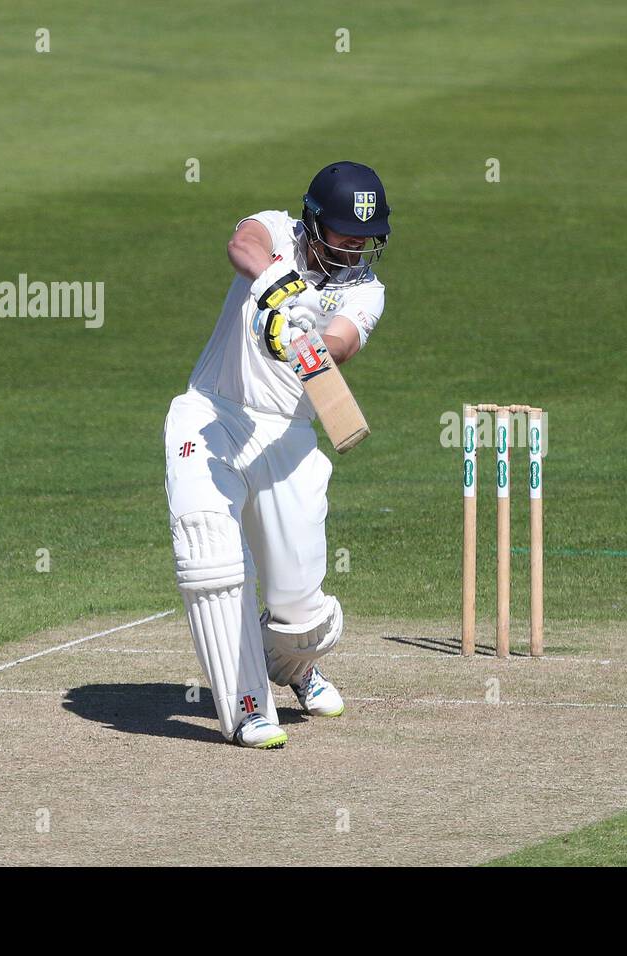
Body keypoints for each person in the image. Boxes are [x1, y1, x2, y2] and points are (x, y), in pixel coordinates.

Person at [162, 161, 390, 748]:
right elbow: (243, 244)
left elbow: (341, 344)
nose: (354, 248)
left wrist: (309, 332)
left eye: (364, 239)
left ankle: (293, 664)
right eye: (343, 234)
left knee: (299, 610)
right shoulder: (277, 229)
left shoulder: (364, 290)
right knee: (210, 559)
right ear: (313, 222)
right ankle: (245, 706)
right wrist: (277, 286)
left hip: (288, 438)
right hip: (214, 414)